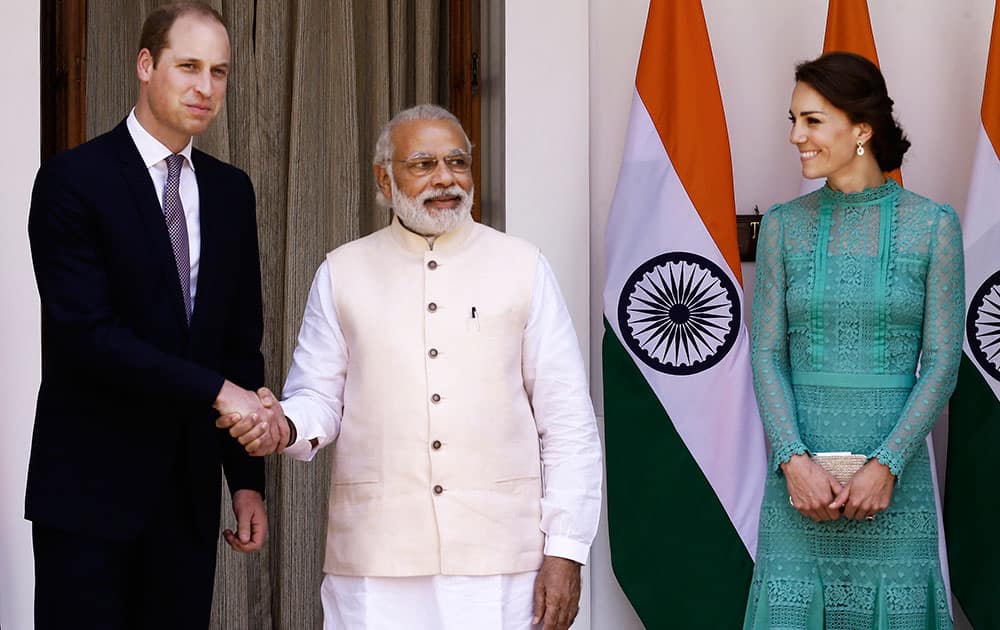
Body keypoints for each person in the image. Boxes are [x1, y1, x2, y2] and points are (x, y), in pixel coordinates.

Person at [220, 104, 603, 630]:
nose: (445, 177)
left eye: (457, 162)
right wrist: (281, 424)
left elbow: (567, 423)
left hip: (502, 567)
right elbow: (318, 399)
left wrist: (567, 549)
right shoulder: (342, 271)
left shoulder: (523, 267)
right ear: (385, 178)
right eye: (423, 164)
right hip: (376, 567)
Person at [26, 3, 281, 628]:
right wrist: (221, 392)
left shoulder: (231, 191)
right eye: (188, 66)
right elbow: (88, 335)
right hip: (89, 495)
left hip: (187, 499)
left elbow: (240, 342)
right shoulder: (71, 180)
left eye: (219, 72)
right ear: (146, 65)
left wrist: (246, 480)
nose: (205, 87)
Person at [742, 51, 963, 629]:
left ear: (862, 128)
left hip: (896, 477)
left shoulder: (933, 225)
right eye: (792, 120)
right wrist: (792, 461)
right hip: (799, 483)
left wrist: (886, 464)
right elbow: (765, 354)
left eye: (812, 120)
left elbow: (942, 361)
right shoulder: (784, 227)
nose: (796, 136)